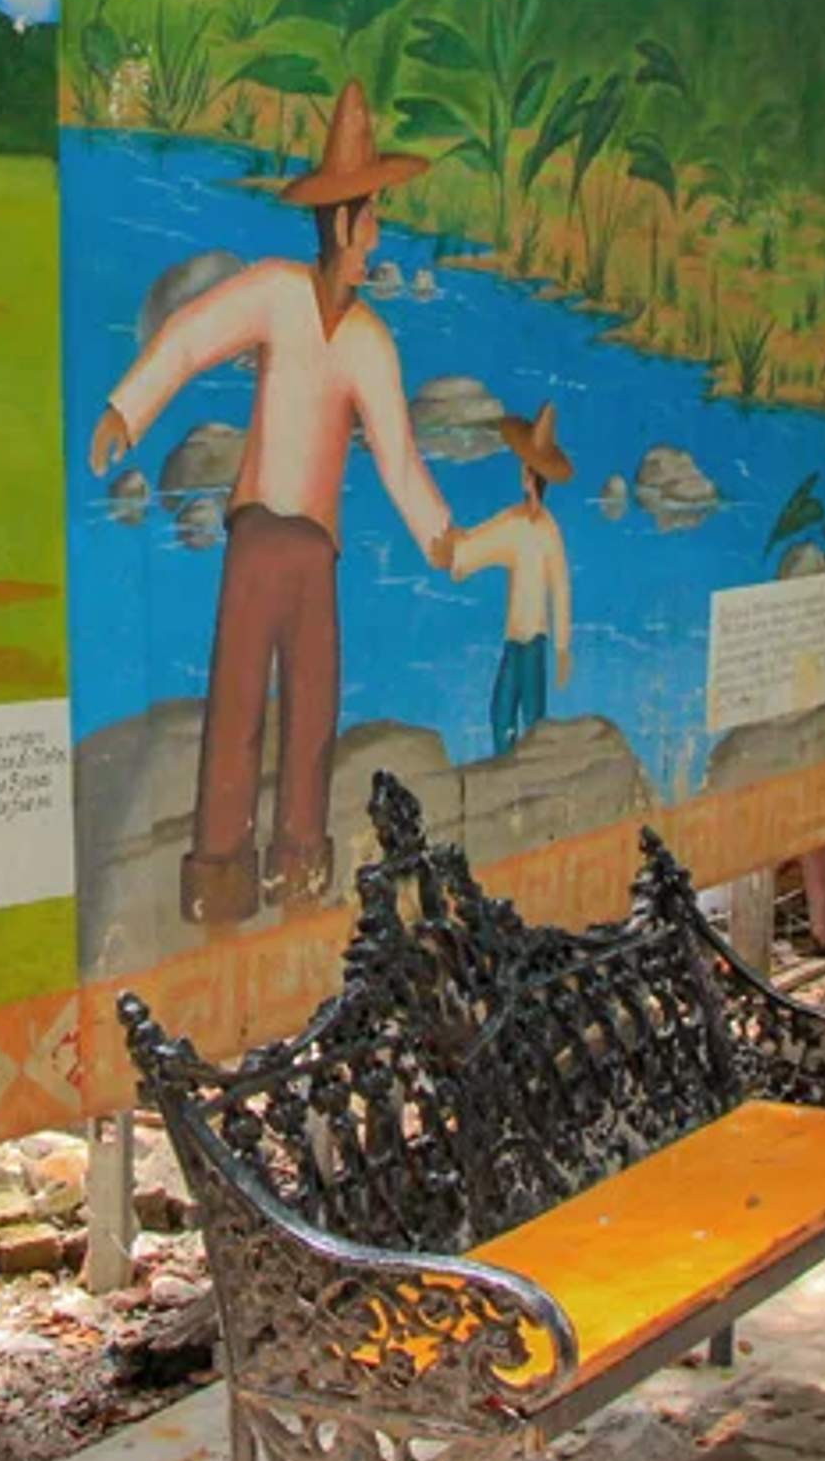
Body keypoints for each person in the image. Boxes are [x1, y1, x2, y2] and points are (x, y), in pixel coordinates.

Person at [89, 84, 455, 922]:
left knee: (312, 718)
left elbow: (398, 455)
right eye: (373, 221)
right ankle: (219, 878)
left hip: (315, 553)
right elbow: (188, 338)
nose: (378, 237)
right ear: (343, 223)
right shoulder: (276, 291)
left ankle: (296, 877)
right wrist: (126, 408)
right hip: (257, 540)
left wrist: (441, 537)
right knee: (236, 709)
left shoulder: (370, 341)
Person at [448, 403, 573, 758]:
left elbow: (561, 588)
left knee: (534, 722)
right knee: (501, 713)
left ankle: (530, 782)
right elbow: (482, 541)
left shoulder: (548, 531)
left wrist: (562, 647)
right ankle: (505, 776)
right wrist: (457, 549)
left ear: (529, 475)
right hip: (514, 639)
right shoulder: (514, 522)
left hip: (533, 641)